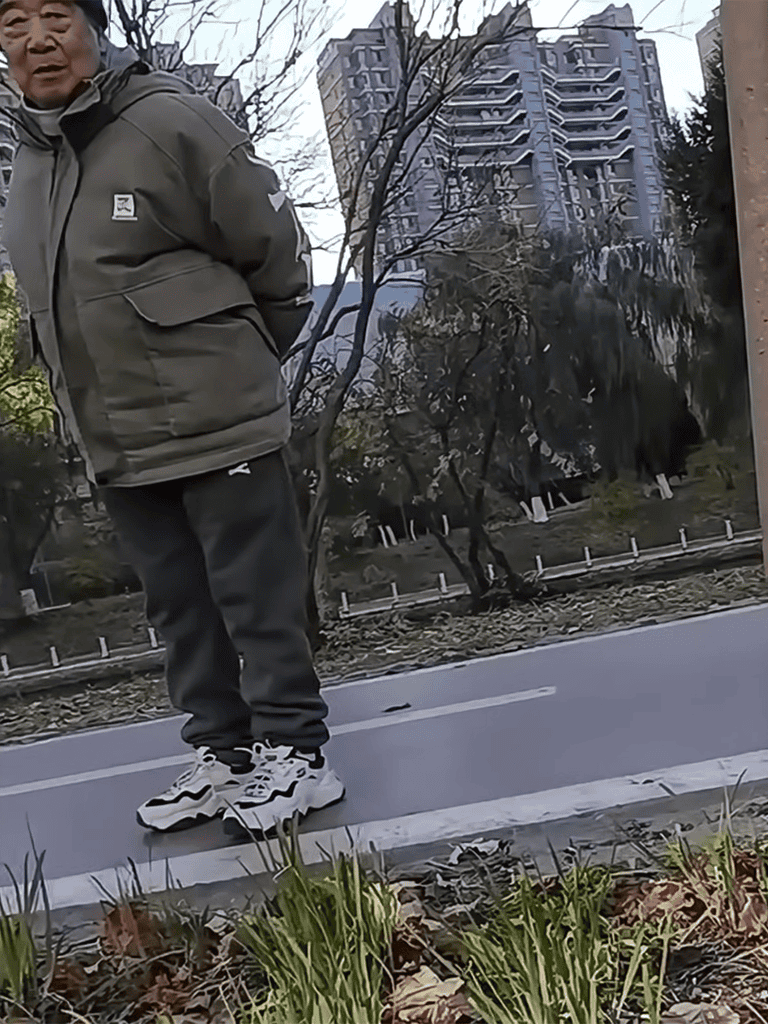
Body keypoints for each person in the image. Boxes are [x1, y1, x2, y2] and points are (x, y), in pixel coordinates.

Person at [0, 0, 345, 840]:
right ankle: (224, 755)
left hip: (216, 413)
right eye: (13, 22)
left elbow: (272, 244)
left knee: (253, 596)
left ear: (94, 27)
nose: (38, 40)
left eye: (55, 16)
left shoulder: (170, 120)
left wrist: (242, 356)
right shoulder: (31, 162)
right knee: (180, 605)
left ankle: (298, 756)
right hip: (114, 431)